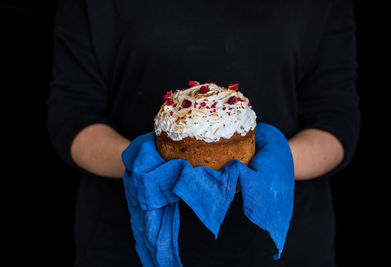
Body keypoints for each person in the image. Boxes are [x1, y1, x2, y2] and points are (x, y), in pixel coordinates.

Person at [47, 0, 360, 266]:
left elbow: (336, 123)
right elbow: (72, 117)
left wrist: (265, 168)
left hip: (284, 248)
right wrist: (149, 169)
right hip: (124, 242)